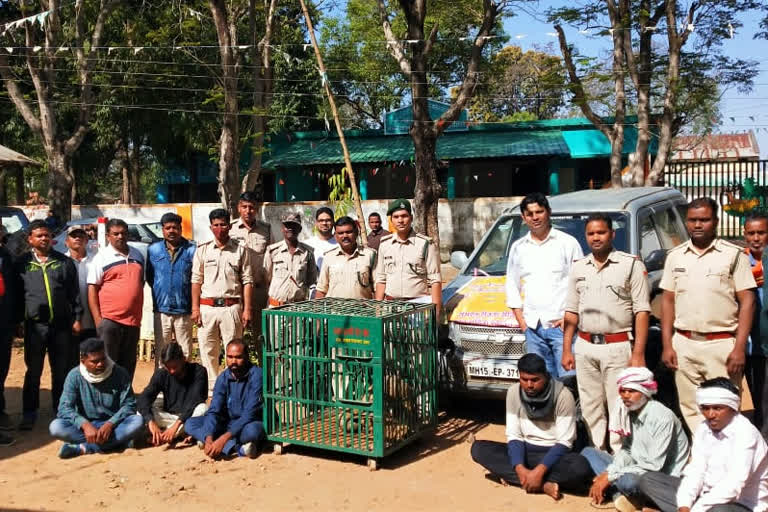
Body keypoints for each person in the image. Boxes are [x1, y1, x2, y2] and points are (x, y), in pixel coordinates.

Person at [660, 197, 756, 433]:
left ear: (715, 221)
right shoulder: (675, 256)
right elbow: (668, 301)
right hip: (683, 343)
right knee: (692, 407)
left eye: (704, 219)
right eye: (693, 220)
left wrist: (739, 347)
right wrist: (668, 345)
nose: (698, 225)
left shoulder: (733, 255)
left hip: (721, 345)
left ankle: (729, 458)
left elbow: (748, 301)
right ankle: (704, 452)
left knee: (727, 405)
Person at [562, 213, 650, 452]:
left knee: (618, 404)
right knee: (590, 404)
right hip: (585, 346)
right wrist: (567, 349)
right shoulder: (579, 268)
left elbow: (642, 311)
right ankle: (596, 453)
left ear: (612, 234)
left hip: (618, 346)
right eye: (591, 233)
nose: (596, 237)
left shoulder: (630, 264)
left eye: (601, 232)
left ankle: (619, 456)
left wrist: (638, 353)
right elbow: (571, 312)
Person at [471, 353, 592, 500]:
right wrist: (520, 468)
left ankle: (521, 479)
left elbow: (565, 442)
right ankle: (542, 485)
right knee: (478, 449)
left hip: (555, 455)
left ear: (545, 376)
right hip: (526, 452)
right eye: (524, 379)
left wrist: (538, 472)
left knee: (580, 467)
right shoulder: (513, 392)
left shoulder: (563, 396)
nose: (529, 385)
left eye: (535, 380)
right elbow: (514, 435)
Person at [639, 377, 768, 512]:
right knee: (648, 480)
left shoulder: (746, 433)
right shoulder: (703, 428)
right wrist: (684, 505)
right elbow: (696, 470)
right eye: (705, 408)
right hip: (704, 496)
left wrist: (697, 509)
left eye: (717, 408)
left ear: (732, 407)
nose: (710, 414)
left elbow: (734, 484)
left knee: (718, 511)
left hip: (741, 503)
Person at [581, 367, 690, 512]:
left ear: (645, 392)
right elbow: (627, 450)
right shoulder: (626, 412)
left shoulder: (662, 417)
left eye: (632, 391)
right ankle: (620, 495)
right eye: (623, 391)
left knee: (628, 482)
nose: (625, 396)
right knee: (588, 453)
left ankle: (623, 494)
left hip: (657, 476)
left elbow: (654, 465)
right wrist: (610, 472)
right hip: (634, 467)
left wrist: (610, 476)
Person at [506, 193, 583, 379]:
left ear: (548, 213)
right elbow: (512, 285)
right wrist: (523, 323)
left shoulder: (567, 243)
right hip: (532, 328)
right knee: (541, 384)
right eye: (530, 213)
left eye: (539, 212)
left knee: (568, 381)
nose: (535, 217)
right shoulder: (518, 247)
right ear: (524, 218)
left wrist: (571, 318)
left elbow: (582, 283)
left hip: (562, 329)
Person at [16, 220, 82, 430]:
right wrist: (18, 320)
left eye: (46, 235)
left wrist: (77, 318)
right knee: (33, 371)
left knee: (61, 370)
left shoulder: (64, 262)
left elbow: (75, 294)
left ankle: (61, 409)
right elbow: (17, 296)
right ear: (30, 239)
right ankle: (29, 412)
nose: (44, 239)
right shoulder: (22, 264)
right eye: (39, 236)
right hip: (35, 327)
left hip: (61, 326)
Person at [49, 338, 144, 459]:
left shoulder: (120, 373)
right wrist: (85, 424)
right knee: (56, 427)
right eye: (94, 361)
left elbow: (129, 404)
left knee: (137, 422)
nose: (100, 364)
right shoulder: (74, 376)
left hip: (114, 426)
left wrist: (110, 424)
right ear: (83, 361)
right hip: (86, 428)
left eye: (103, 359)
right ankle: (118, 443)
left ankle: (84, 448)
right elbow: (64, 408)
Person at [191, 208, 253, 393]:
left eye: (223, 224)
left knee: (233, 350)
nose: (220, 228)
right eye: (216, 225)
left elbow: (247, 281)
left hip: (231, 307)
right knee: (208, 350)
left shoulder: (241, 250)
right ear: (211, 227)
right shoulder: (203, 250)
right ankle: (212, 389)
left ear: (229, 226)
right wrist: (195, 308)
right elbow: (196, 280)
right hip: (207, 307)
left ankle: (231, 389)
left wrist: (247, 309)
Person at [185, 340, 264, 459]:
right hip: (228, 423)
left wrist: (223, 439)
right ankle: (238, 448)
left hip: (250, 422)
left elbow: (250, 414)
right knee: (190, 424)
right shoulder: (223, 377)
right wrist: (209, 437)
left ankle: (228, 445)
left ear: (247, 357)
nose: (233, 361)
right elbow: (214, 410)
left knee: (252, 432)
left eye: (238, 357)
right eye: (230, 357)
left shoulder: (257, 375)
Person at [87, 218, 145, 381]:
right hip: (110, 321)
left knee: (128, 363)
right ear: (108, 236)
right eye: (116, 233)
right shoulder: (101, 258)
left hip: (133, 321)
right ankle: (106, 401)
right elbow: (92, 289)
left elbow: (140, 284)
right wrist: (99, 320)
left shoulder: (138, 255)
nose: (120, 236)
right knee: (107, 362)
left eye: (123, 233)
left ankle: (125, 399)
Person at [374, 199, 442, 315]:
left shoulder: (425, 244)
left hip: (417, 307)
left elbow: (435, 281)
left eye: (404, 216)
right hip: (391, 308)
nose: (400, 220)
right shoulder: (385, 245)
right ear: (391, 220)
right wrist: (378, 311)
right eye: (396, 217)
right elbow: (381, 279)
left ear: (411, 218)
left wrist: (435, 313)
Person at [146, 212, 196, 364]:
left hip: (184, 310)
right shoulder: (153, 250)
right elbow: (150, 277)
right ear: (162, 230)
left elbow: (197, 278)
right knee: (162, 353)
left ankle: (185, 387)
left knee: (185, 352)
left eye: (175, 227)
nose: (171, 231)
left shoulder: (192, 250)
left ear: (181, 229)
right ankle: (162, 386)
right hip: (161, 310)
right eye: (168, 228)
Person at [137, 342, 207, 447]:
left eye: (175, 367)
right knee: (141, 412)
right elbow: (144, 398)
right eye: (168, 367)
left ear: (183, 359)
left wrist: (176, 426)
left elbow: (195, 401)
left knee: (203, 409)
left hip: (188, 418)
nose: (172, 371)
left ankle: (166, 435)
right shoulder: (162, 373)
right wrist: (151, 422)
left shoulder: (199, 371)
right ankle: (184, 433)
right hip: (169, 416)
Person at [230, 192, 271, 354]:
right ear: (239, 208)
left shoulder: (265, 230)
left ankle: (262, 374)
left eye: (252, 207)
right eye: (244, 207)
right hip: (235, 292)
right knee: (235, 336)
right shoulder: (231, 229)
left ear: (257, 209)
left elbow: (271, 258)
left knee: (262, 337)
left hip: (259, 291)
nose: (248, 211)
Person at [744, 213, 768, 431]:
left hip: (766, 344)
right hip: (747, 346)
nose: (756, 238)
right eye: (751, 233)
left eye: (761, 232)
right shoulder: (740, 263)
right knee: (750, 396)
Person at [315, 216, 377, 299]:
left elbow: (378, 286)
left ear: (356, 232)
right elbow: (321, 290)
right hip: (334, 311)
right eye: (340, 233)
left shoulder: (370, 255)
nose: (345, 236)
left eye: (349, 232)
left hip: (362, 310)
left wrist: (378, 309)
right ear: (335, 236)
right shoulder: (328, 257)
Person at [263, 213, 317, 307]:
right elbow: (266, 279)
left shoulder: (308, 253)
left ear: (299, 229)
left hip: (298, 310)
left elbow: (311, 280)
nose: (290, 228)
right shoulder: (273, 251)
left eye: (294, 226)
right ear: (282, 228)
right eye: (287, 226)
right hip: (276, 308)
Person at [0, 241, 20, 444]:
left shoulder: (7, 256)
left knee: (2, 370)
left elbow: (14, 290)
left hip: (3, 324)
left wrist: (16, 320)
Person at [64, 225, 97, 340]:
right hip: (69, 321)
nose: (77, 238)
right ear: (66, 242)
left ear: (87, 240)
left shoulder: (96, 260)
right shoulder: (61, 262)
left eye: (81, 236)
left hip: (93, 321)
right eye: (73, 236)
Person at [304, 207, 337, 272]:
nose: (324, 223)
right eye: (321, 220)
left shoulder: (340, 244)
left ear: (333, 222)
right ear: (316, 223)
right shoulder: (307, 245)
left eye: (328, 220)